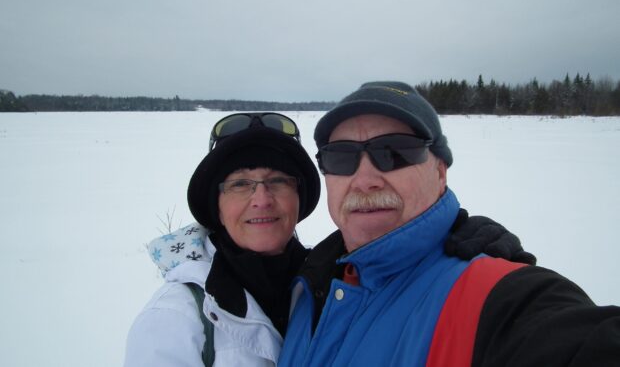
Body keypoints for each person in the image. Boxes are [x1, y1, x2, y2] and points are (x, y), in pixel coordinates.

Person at [124, 112, 534, 367]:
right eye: (240, 184)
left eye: (277, 181)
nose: (261, 199)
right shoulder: (177, 320)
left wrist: (438, 244)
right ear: (216, 206)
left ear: (300, 196)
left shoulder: (325, 280)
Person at [278, 81, 620, 367]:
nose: (365, 179)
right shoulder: (306, 286)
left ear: (440, 172)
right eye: (342, 156)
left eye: (394, 152)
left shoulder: (502, 301)